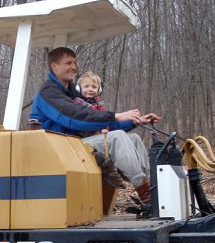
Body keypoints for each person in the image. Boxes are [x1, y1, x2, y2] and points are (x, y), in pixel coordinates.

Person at [30, 47, 161, 210]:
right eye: (68, 63)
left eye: (75, 62)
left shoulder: (70, 93)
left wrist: (135, 121)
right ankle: (146, 196)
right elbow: (75, 117)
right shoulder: (49, 93)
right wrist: (115, 115)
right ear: (54, 66)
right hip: (59, 151)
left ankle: (154, 187)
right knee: (117, 137)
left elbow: (100, 123)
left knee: (132, 138)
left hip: (73, 145)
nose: (74, 67)